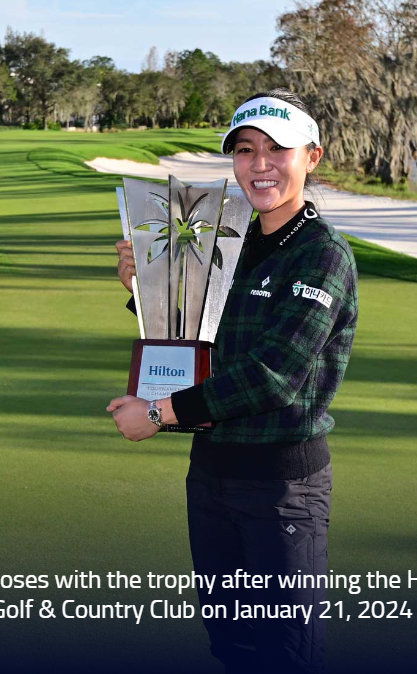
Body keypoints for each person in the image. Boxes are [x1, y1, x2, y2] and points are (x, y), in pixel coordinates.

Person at [107, 89, 358, 673]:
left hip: (281, 491)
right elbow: (203, 339)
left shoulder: (323, 255)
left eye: (278, 149)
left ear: (312, 158)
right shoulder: (230, 243)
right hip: (212, 477)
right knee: (235, 649)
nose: (260, 164)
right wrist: (144, 291)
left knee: (283, 657)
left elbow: (274, 378)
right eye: (246, 150)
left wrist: (158, 413)